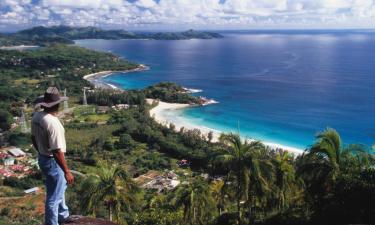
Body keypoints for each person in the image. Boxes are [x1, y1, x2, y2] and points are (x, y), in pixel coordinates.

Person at [31, 87, 76, 225]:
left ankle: (63, 216)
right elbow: (57, 150)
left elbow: (33, 138)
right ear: (58, 104)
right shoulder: (53, 123)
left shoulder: (37, 116)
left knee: (59, 189)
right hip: (52, 161)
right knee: (53, 197)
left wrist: (41, 151)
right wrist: (67, 171)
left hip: (43, 158)